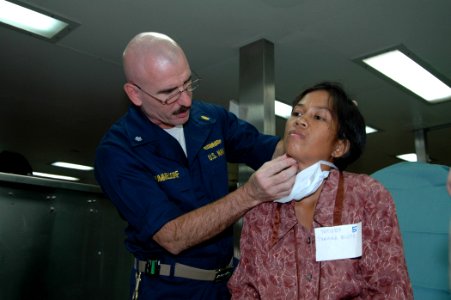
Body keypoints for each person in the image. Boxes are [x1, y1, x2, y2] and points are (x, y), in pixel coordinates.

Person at [94, 32, 297, 299]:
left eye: (188, 83)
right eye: (168, 93)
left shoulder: (210, 118)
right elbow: (172, 237)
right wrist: (251, 194)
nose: (186, 100)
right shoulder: (117, 152)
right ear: (135, 94)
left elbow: (270, 149)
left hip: (226, 284)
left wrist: (310, 135)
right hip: (168, 288)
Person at [228, 82, 413, 299]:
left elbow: (389, 287)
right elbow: (245, 288)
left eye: (318, 117)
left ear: (339, 147)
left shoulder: (366, 196)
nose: (300, 120)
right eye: (297, 112)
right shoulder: (263, 204)